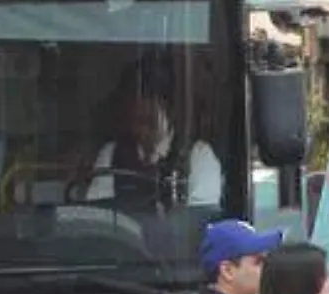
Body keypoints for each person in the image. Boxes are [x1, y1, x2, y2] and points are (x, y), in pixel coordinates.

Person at [80, 77, 223, 207]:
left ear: (170, 112)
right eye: (136, 121)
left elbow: (199, 218)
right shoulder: (111, 154)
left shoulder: (199, 156)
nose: (142, 130)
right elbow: (98, 210)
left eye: (149, 121)